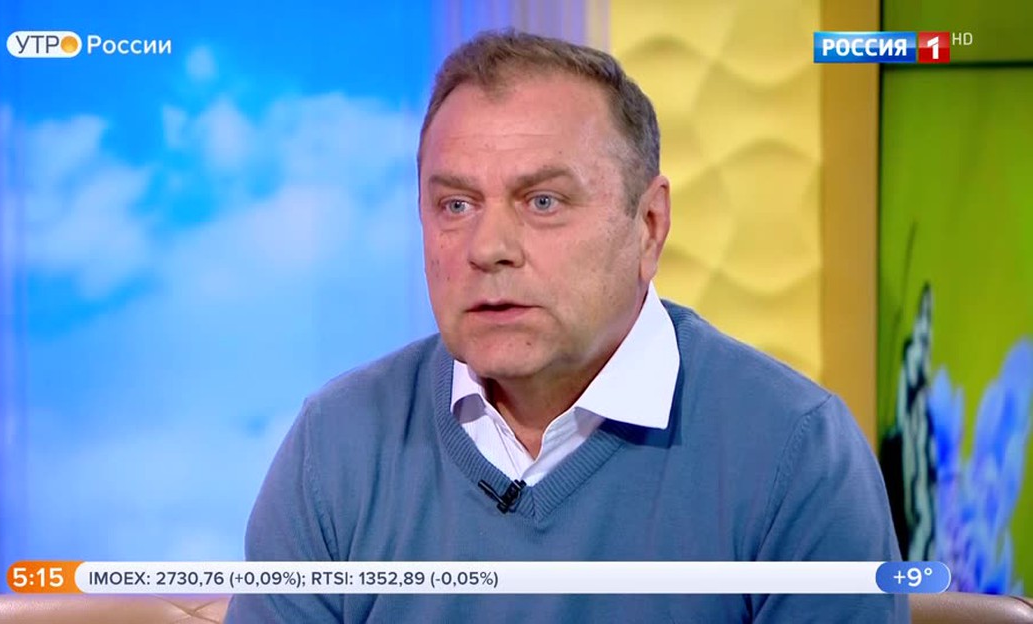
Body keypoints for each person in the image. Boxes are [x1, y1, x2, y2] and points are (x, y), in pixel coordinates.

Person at [226, 30, 908, 623]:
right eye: (456, 204)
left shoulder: (794, 451)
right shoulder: (338, 445)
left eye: (543, 201)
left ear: (649, 225)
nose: (488, 247)